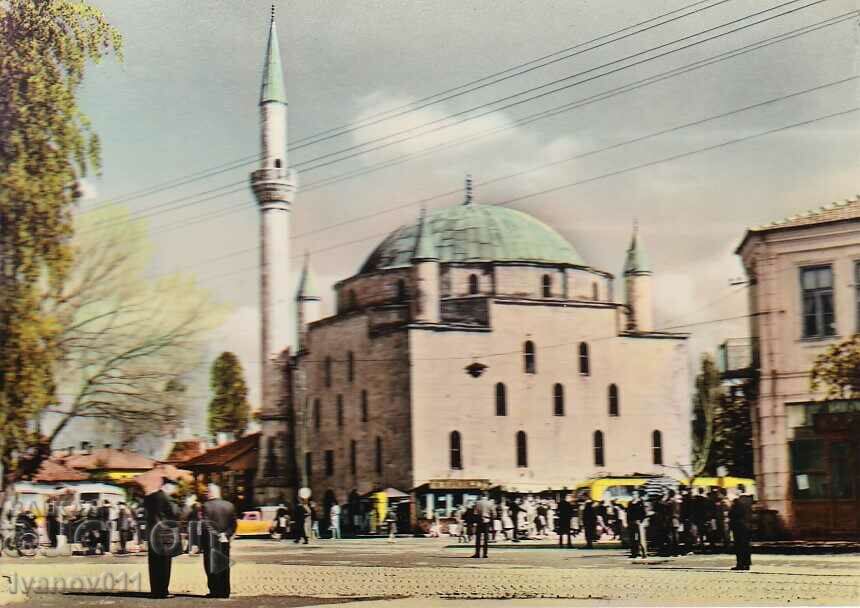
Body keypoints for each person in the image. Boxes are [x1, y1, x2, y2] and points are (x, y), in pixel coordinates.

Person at [144, 477, 181, 599]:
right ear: (168, 487)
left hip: (152, 534)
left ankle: (155, 590)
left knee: (154, 565)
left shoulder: (150, 498)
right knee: (164, 565)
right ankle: (163, 591)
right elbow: (176, 514)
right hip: (164, 535)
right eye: (174, 488)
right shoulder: (167, 499)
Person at [201, 484, 237, 598]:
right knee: (224, 566)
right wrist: (225, 534)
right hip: (225, 541)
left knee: (211, 566)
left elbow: (206, 524)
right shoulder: (230, 505)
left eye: (207, 491)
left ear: (211, 493)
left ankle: (215, 590)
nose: (206, 494)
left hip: (211, 541)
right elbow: (234, 524)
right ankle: (225, 590)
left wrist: (216, 535)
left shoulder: (205, 506)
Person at [729, 483, 753, 571]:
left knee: (739, 545)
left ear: (739, 490)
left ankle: (740, 563)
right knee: (746, 545)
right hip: (747, 525)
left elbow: (733, 513)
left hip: (738, 526)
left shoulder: (737, 501)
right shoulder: (749, 500)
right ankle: (747, 564)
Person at [472, 492, 494, 559]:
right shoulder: (490, 503)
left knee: (478, 538)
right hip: (487, 521)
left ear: (481, 496)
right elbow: (493, 513)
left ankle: (477, 553)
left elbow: (475, 513)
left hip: (479, 521)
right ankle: (485, 554)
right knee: (485, 539)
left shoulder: (477, 503)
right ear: (487, 496)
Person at [627, 490, 647, 558]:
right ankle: (634, 553)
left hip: (639, 522)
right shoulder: (630, 503)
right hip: (632, 522)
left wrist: (641, 521)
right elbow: (628, 513)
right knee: (633, 539)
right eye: (632, 494)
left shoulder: (641, 502)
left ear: (637, 495)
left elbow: (644, 513)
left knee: (641, 538)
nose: (633, 495)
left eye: (635, 494)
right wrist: (628, 522)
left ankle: (643, 553)